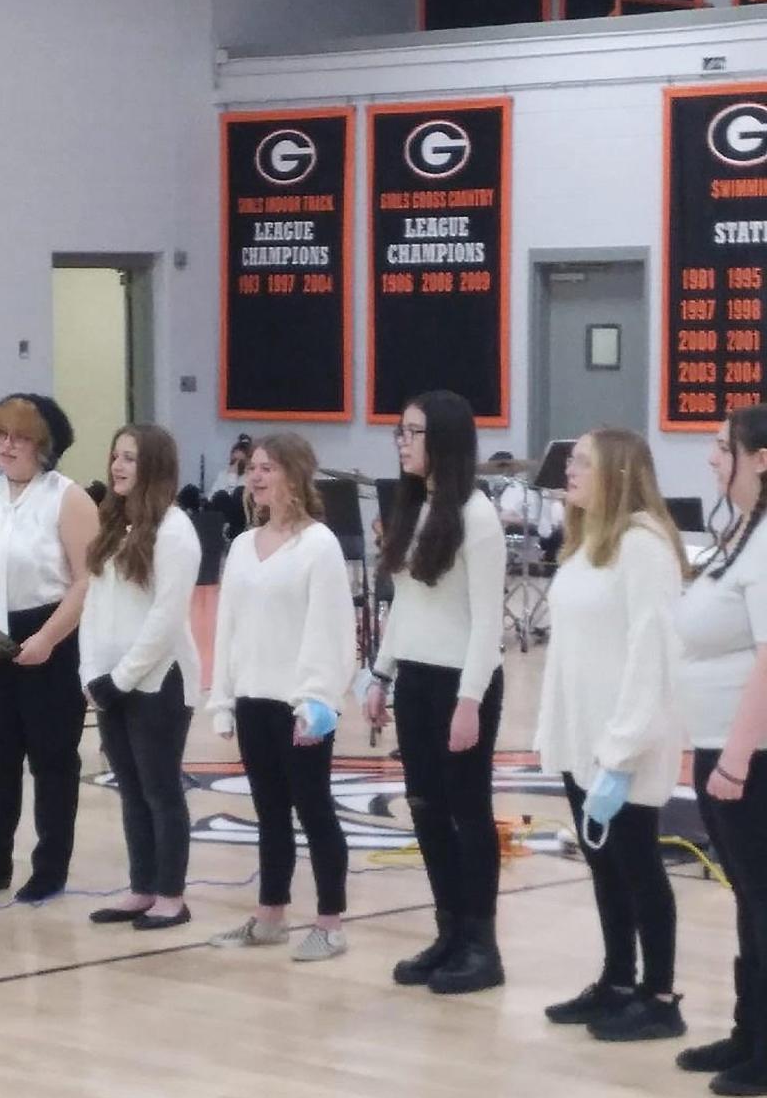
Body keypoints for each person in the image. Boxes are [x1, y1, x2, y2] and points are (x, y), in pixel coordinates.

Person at [536, 427, 688, 1041]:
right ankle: (618, 979)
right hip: (585, 740)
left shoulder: (644, 546)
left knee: (638, 863)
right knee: (603, 864)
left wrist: (621, 750)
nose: (568, 470)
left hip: (626, 744)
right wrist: (563, 735)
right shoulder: (587, 545)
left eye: (581, 461)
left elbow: (651, 655)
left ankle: (660, 995)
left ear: (619, 474)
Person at [365, 390, 507, 994]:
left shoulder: (477, 516)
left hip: (461, 683)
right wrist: (380, 673)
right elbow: (408, 607)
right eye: (401, 430)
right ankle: (448, 930)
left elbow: (486, 622)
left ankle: (481, 944)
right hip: (417, 679)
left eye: (414, 431)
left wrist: (470, 700)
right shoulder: (413, 508)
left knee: (467, 813)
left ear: (443, 441)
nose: (402, 441)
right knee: (424, 808)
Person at [207, 433, 355, 961]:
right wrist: (223, 697)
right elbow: (229, 625)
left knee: (314, 811)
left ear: (294, 475)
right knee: (269, 813)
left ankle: (330, 923)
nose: (257, 476)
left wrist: (316, 699)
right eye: (254, 468)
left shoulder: (319, 545)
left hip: (300, 706)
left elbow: (331, 628)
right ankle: (270, 915)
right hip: (253, 698)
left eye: (268, 468)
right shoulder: (244, 545)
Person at [0, 394, 99, 902]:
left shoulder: (68, 498)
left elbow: (86, 582)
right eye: (0, 436)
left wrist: (47, 639)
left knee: (53, 759)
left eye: (19, 437)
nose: (6, 446)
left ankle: (50, 868)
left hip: (51, 633)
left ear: (45, 446)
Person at [675, 404, 767, 1095]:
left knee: (762, 899)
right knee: (746, 898)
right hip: (721, 747)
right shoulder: (741, 530)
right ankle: (749, 1030)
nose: (711, 458)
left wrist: (736, 756)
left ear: (759, 458)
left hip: (751, 755)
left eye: (721, 446)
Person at [80, 425, 201, 930]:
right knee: (129, 788)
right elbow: (94, 605)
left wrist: (124, 677)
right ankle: (142, 886)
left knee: (160, 788)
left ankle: (171, 896)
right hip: (111, 683)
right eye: (115, 456)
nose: (118, 466)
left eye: (130, 457)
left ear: (153, 465)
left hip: (158, 683)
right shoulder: (112, 525)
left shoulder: (175, 532)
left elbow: (164, 620)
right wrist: (91, 674)